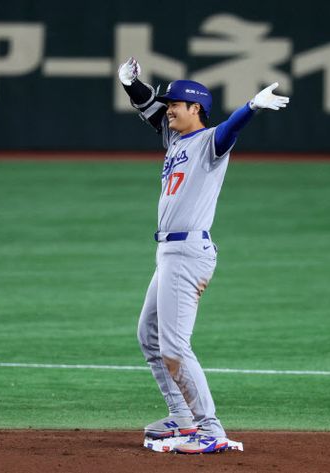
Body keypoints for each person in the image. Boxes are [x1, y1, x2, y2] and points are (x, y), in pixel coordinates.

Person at [118, 57, 289, 454]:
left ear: (195, 108)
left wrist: (251, 106)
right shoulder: (175, 138)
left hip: (188, 252)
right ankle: (182, 417)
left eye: (175, 104)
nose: (168, 109)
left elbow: (231, 129)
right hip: (168, 252)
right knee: (149, 335)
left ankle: (211, 429)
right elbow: (148, 105)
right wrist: (130, 84)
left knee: (175, 347)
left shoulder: (211, 142)